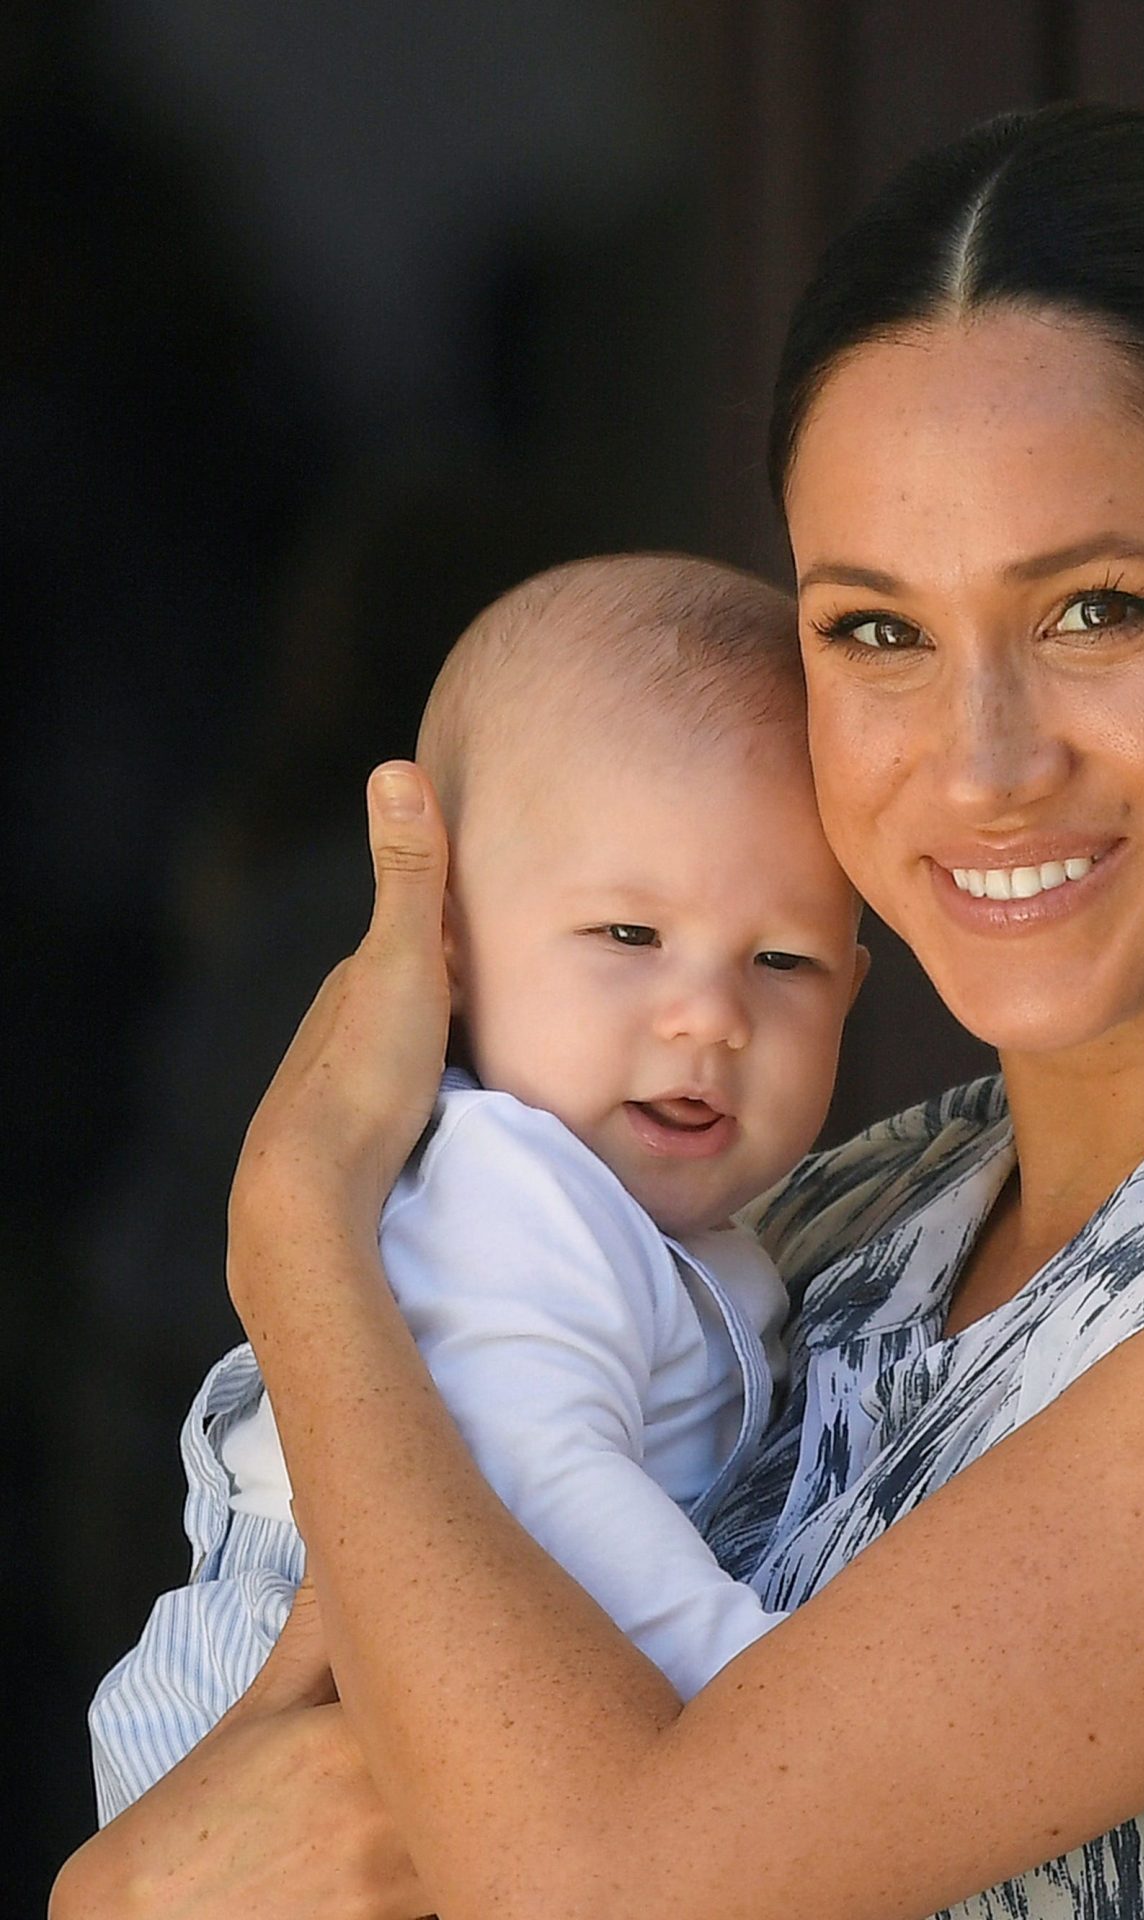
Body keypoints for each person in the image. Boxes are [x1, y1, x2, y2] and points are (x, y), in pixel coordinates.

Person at [52, 104, 1144, 1920]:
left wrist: (300, 1233)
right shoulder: (845, 1221)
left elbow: (612, 1884)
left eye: (1094, 609)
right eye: (876, 633)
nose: (980, 765)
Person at [88, 553, 864, 1818]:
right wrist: (752, 1691)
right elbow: (542, 1480)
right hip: (290, 1719)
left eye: (785, 962)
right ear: (444, 945)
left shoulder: (687, 1225)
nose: (711, 1017)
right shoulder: (511, 1190)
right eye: (630, 935)